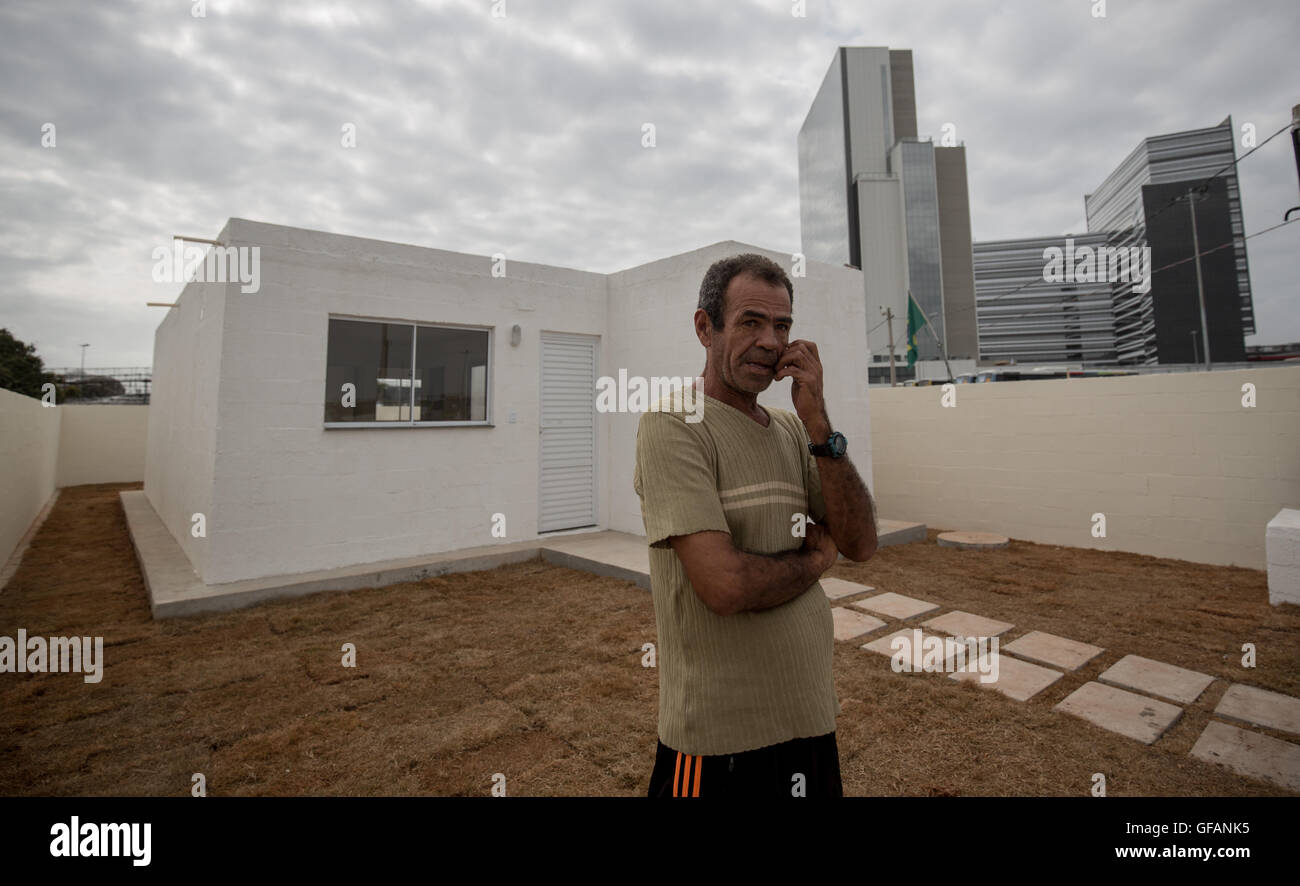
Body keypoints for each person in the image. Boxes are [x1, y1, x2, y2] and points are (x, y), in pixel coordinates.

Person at [634, 252, 878, 798]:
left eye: (782, 325)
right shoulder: (675, 426)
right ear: (705, 327)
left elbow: (861, 542)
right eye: (750, 322)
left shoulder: (796, 433)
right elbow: (725, 586)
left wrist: (820, 425)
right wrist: (815, 559)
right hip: (717, 743)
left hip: (810, 722)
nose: (771, 341)